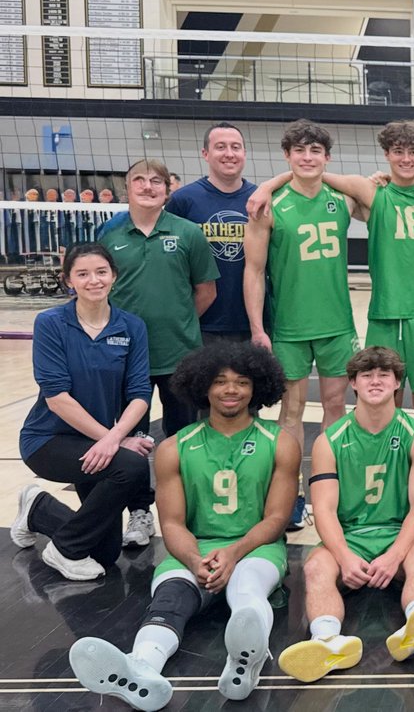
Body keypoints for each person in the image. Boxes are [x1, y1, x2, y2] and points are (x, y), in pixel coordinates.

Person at [68, 342, 299, 710]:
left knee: (247, 585)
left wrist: (234, 552)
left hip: (255, 546)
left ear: (257, 388)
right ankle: (142, 669)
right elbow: (172, 523)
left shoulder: (281, 442)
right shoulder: (174, 447)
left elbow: (276, 518)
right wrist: (193, 560)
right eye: (220, 381)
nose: (231, 390)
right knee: (170, 598)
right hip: (192, 546)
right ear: (203, 387)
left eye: (241, 382)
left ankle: (246, 659)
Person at [248, 120, 414, 521]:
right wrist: (266, 185)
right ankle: (300, 496)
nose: (407, 158)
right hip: (371, 317)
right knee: (372, 409)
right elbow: (311, 173)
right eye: (398, 151)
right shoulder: (368, 192)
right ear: (386, 155)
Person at [278, 347, 414, 682]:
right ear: (353, 383)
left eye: (384, 374)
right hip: (350, 536)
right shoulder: (329, 441)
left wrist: (395, 554)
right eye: (366, 375)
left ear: (398, 383)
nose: (375, 381)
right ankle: (327, 641)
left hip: (399, 534)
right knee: (315, 566)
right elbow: (323, 510)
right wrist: (344, 556)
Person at [12, 243, 154, 581]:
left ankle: (37, 509)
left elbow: (140, 395)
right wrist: (114, 442)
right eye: (83, 274)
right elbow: (57, 398)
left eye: (101, 272)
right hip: (49, 440)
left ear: (114, 276)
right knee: (131, 466)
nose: (94, 280)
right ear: (68, 281)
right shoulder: (51, 323)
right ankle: (63, 550)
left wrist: (113, 439)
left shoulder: (131, 327)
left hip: (98, 444)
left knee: (104, 554)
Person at [245, 119, 361, 531]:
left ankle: (329, 490)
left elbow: (380, 190)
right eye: (299, 151)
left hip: (337, 325)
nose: (307, 158)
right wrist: (258, 329)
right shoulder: (268, 206)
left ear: (327, 158)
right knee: (291, 413)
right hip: (291, 328)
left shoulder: (343, 199)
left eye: (315, 151)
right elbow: (254, 271)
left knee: (336, 408)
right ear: (287, 156)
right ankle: (290, 495)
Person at [100, 159, 219, 547]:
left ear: (169, 189)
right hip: (123, 356)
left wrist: (178, 324)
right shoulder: (109, 232)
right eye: (139, 180)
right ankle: (139, 513)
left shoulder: (188, 233)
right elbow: (98, 289)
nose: (148, 186)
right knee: (132, 440)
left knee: (183, 438)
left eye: (157, 181)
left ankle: (188, 511)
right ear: (126, 187)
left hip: (179, 355)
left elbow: (206, 291)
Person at [165, 122, 259, 344]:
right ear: (205, 154)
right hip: (200, 322)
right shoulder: (183, 200)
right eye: (220, 147)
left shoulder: (260, 198)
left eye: (236, 147)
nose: (229, 154)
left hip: (252, 323)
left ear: (244, 153)